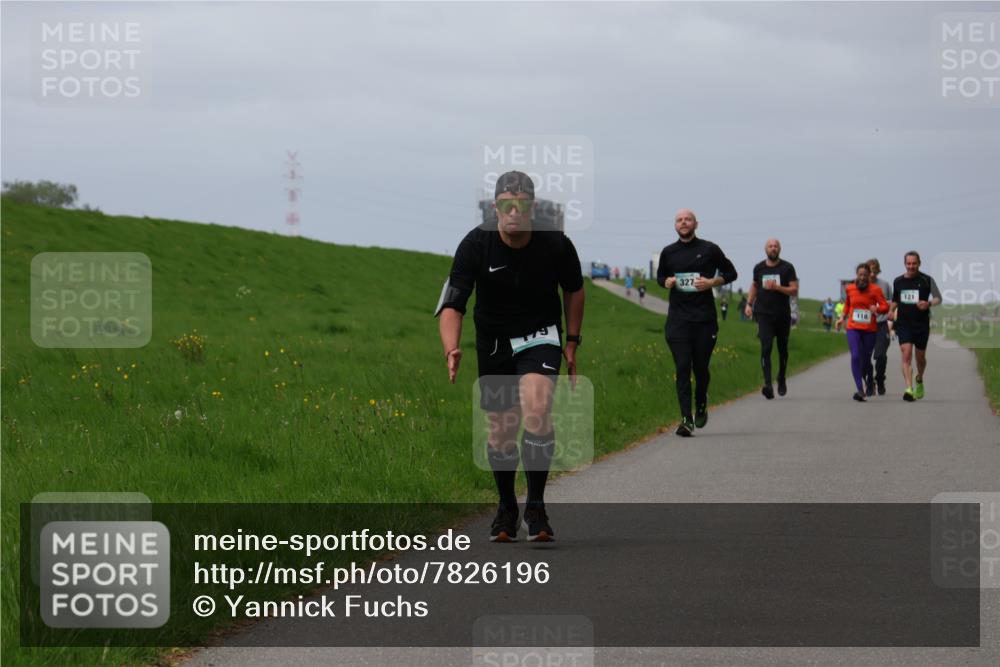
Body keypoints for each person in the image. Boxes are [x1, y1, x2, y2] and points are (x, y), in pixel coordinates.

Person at [436, 171, 585, 542]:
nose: (513, 211)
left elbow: (575, 290)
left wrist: (571, 341)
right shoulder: (475, 244)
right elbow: (453, 302)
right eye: (506, 204)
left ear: (533, 207)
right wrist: (451, 346)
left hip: (540, 335)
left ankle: (536, 505)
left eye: (521, 204)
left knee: (536, 407)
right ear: (495, 207)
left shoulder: (555, 243)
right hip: (494, 341)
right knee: (501, 429)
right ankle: (506, 506)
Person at [657, 209, 737, 436]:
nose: (683, 222)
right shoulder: (668, 252)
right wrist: (668, 282)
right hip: (678, 321)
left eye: (687, 219)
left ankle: (701, 401)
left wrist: (712, 282)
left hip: (704, 321)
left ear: (696, 224)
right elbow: (660, 277)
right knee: (683, 368)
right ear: (675, 225)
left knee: (700, 369)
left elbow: (732, 273)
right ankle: (686, 419)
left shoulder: (709, 249)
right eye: (679, 220)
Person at [744, 238, 799, 399]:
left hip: (782, 314)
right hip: (763, 313)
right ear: (766, 249)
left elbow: (794, 290)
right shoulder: (759, 268)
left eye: (775, 246)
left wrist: (778, 287)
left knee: (782, 349)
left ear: (779, 249)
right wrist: (749, 304)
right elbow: (755, 285)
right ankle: (768, 385)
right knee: (766, 347)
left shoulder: (787, 268)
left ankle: (781, 377)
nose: (773, 248)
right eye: (770, 246)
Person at [890, 251, 942, 402]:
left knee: (920, 358)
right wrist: (891, 310)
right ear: (904, 264)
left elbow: (939, 298)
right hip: (904, 323)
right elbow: (895, 299)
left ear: (919, 263)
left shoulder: (927, 280)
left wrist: (929, 303)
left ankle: (919, 379)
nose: (911, 266)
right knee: (906, 354)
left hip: (921, 325)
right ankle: (908, 388)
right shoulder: (898, 281)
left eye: (914, 263)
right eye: (908, 263)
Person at [836, 263, 889, 402]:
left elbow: (885, 306)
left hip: (869, 330)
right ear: (856, 275)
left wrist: (876, 309)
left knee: (866, 359)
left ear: (869, 276)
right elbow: (847, 305)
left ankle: (870, 378)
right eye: (860, 275)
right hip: (853, 328)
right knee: (855, 356)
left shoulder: (875, 290)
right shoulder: (850, 288)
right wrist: (841, 318)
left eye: (865, 275)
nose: (863, 277)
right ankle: (860, 389)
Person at [866, 258, 894, 396]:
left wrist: (889, 311)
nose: (872, 274)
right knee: (863, 358)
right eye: (869, 270)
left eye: (874, 270)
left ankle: (880, 378)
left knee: (881, 355)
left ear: (878, 271)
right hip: (864, 326)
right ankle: (870, 381)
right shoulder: (859, 285)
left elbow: (893, 302)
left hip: (881, 324)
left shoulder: (885, 285)